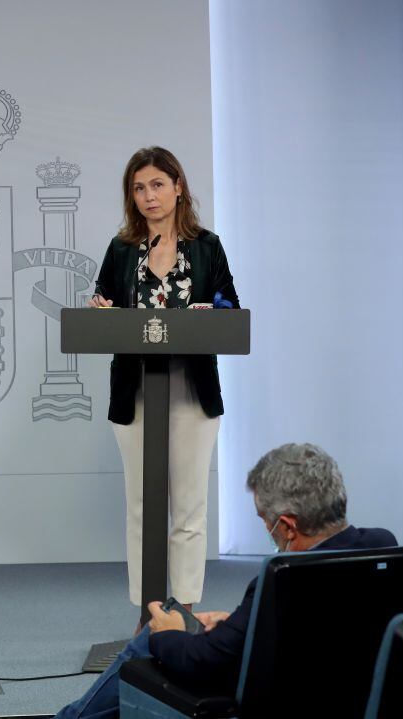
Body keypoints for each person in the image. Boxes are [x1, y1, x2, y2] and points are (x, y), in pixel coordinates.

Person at [56, 443, 397, 718]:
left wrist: (167, 632)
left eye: (266, 520)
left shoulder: (283, 579)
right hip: (347, 691)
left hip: (265, 694)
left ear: (289, 526)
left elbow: (199, 661)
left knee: (152, 636)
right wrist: (238, 623)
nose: (268, 530)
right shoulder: (382, 547)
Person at [89, 146, 240, 618]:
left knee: (190, 506)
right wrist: (101, 310)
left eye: (157, 184)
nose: (148, 196)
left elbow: (231, 309)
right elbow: (103, 305)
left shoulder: (207, 246)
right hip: (136, 393)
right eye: (139, 188)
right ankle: (149, 613)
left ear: (178, 187)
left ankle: (187, 611)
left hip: (191, 391)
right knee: (142, 506)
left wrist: (212, 311)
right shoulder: (121, 248)